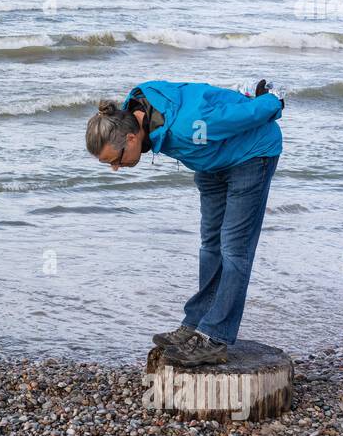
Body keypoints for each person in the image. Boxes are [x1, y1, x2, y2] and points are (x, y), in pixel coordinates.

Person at [85, 80, 285, 366]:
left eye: (114, 160)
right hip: (210, 163)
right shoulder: (137, 105)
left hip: (250, 156)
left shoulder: (187, 126)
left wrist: (272, 102)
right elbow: (202, 92)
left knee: (234, 248)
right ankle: (196, 323)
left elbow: (237, 116)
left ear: (131, 138)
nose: (116, 168)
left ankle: (215, 338)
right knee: (210, 245)